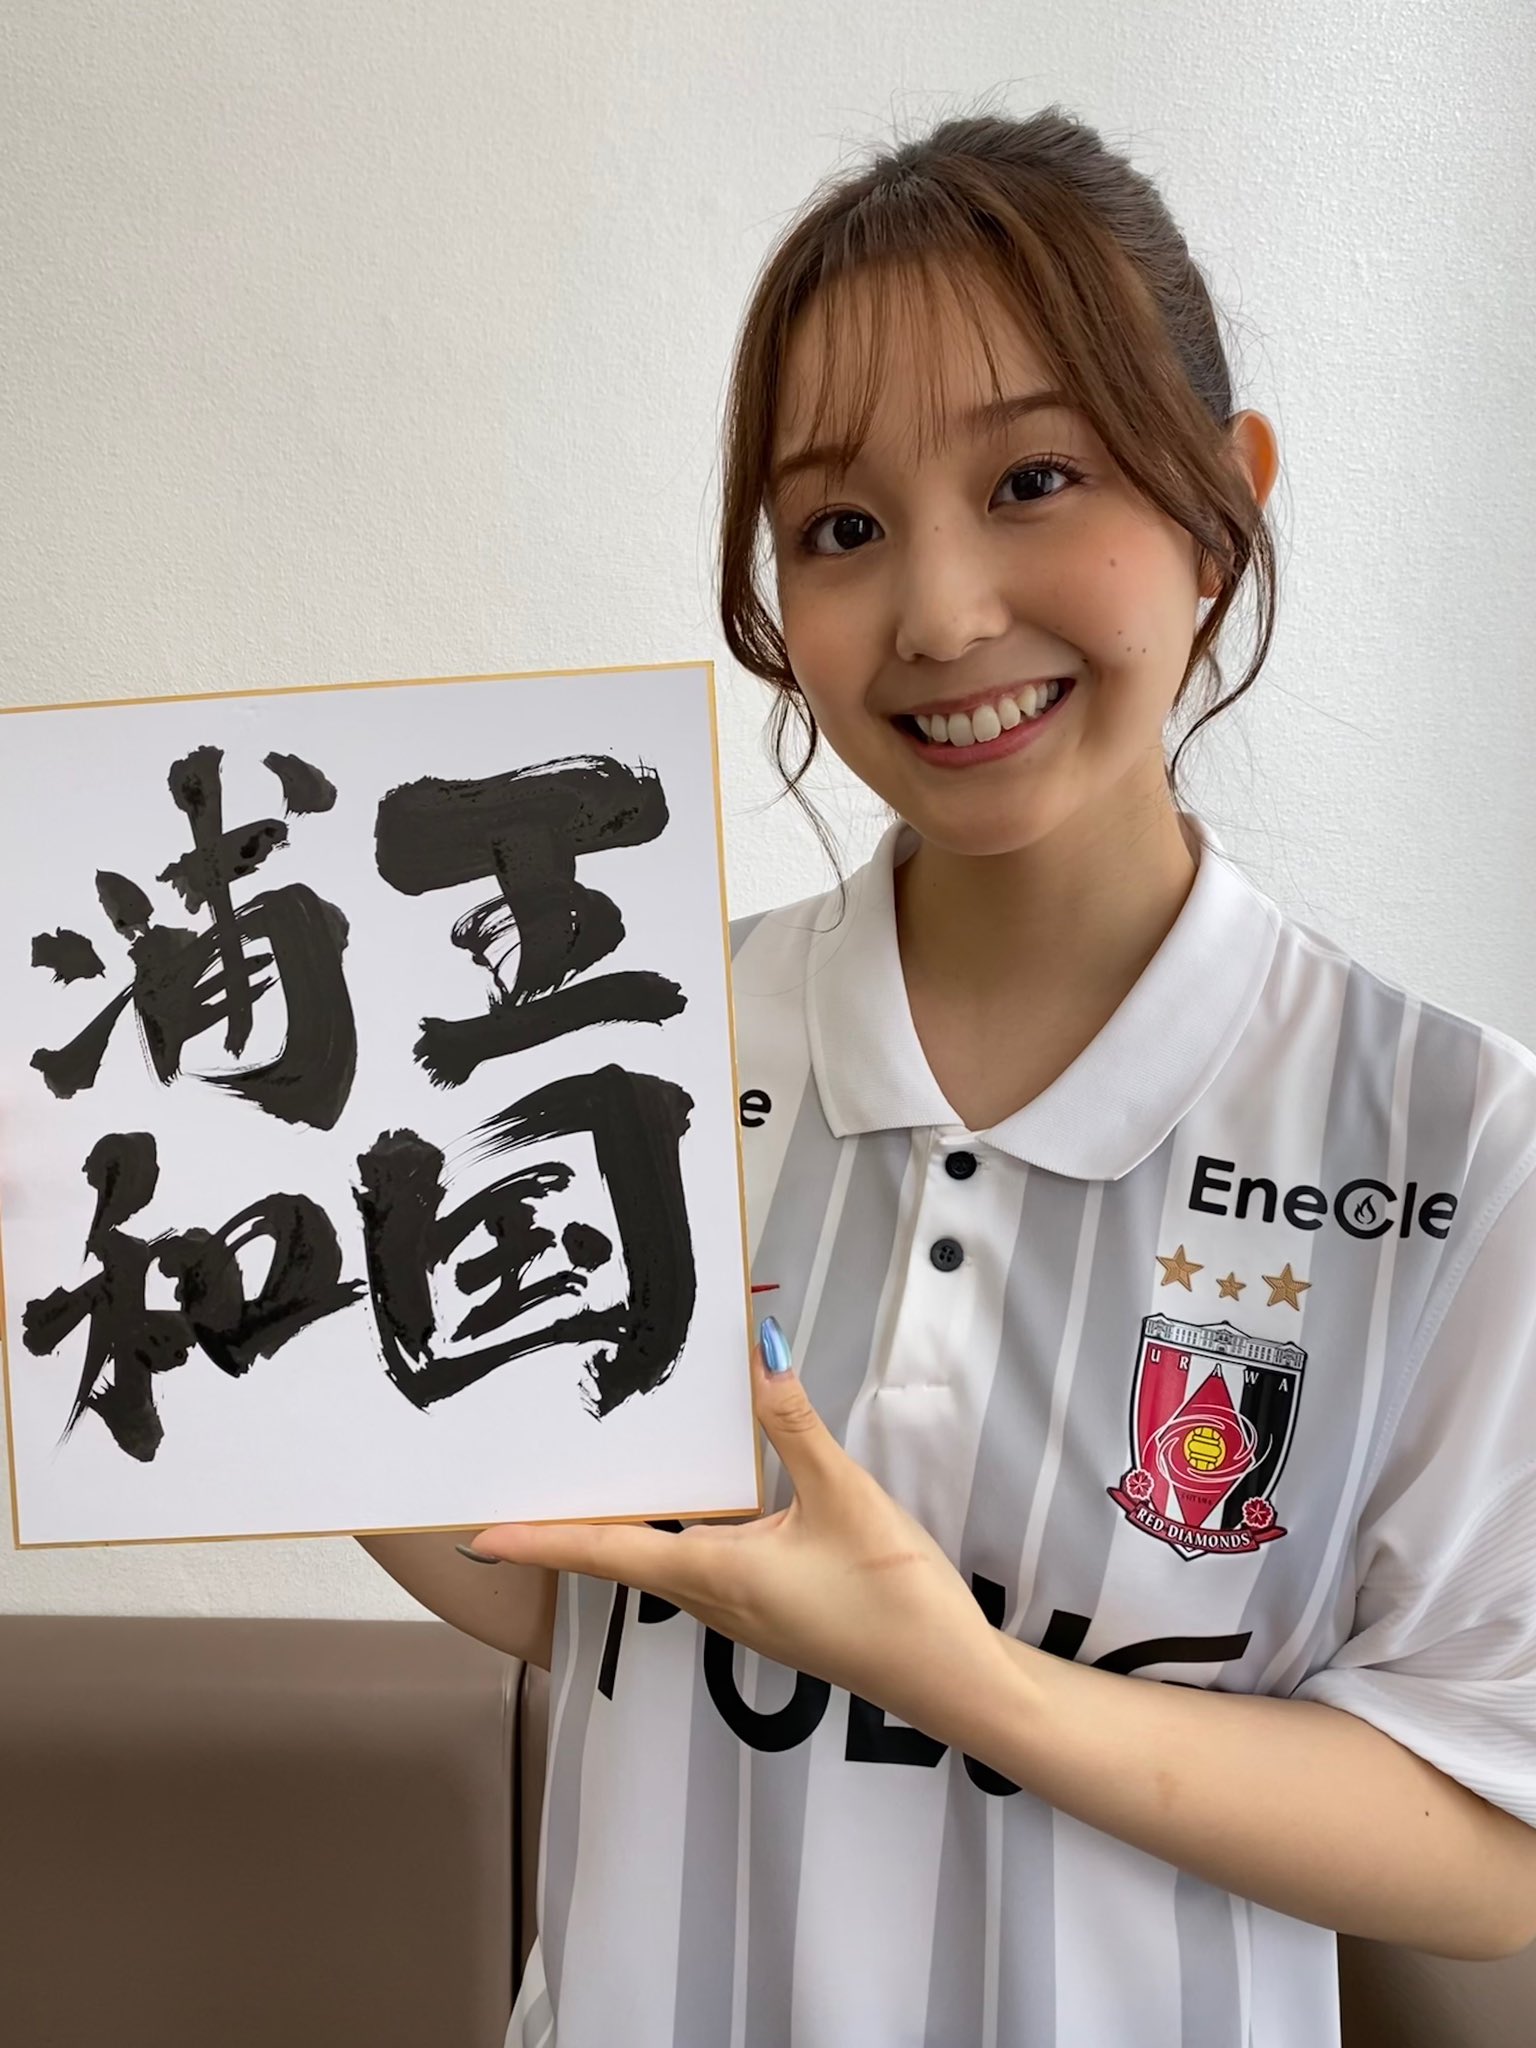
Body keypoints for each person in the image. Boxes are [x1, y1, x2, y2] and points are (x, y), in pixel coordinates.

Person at [359, 105, 1536, 2047]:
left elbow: (1490, 1837)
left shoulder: (1453, 1137)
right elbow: (578, 1593)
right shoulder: (637, 1043)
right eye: (840, 529)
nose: (941, 614)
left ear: (1225, 502)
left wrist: (957, 1675)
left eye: (1034, 478)